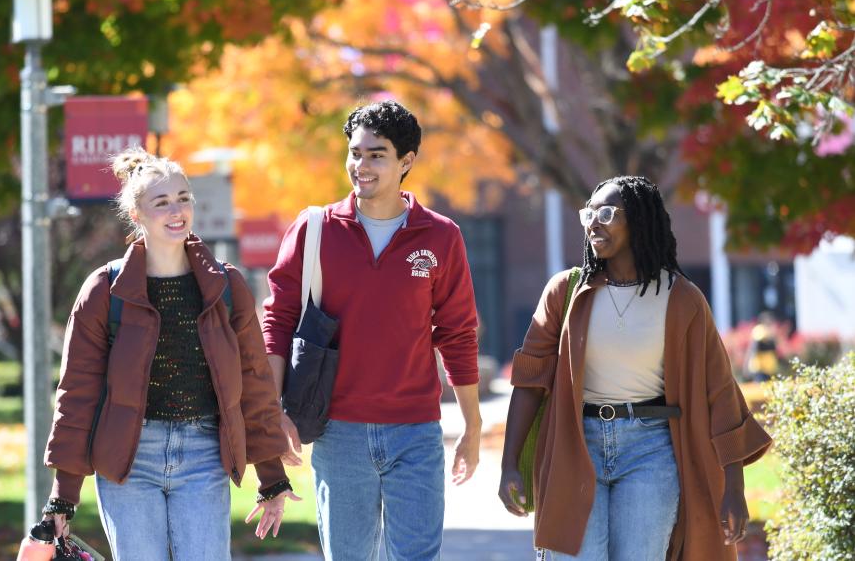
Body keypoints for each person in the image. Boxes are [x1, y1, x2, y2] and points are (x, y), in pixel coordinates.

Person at [42, 147, 299, 560]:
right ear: (137, 214)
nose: (176, 210)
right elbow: (78, 392)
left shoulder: (225, 286)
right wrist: (63, 495)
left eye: (183, 198)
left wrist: (271, 476)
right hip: (129, 461)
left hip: (204, 457)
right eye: (161, 202)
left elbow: (254, 382)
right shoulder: (105, 290)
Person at [498, 176, 773, 560]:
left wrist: (733, 487)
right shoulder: (566, 292)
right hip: (577, 444)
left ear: (640, 220)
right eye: (588, 214)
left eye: (607, 213)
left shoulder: (682, 299)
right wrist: (509, 464)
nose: (594, 222)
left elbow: (720, 393)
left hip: (651, 450)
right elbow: (529, 382)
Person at [262, 100, 482, 561]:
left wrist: (472, 425)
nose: (361, 166)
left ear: (406, 162)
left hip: (416, 430)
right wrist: (273, 410)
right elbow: (278, 321)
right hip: (338, 430)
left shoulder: (440, 236)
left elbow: (458, 333)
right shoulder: (314, 229)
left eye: (376, 154)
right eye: (355, 153)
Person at [745, 311, 780, 382]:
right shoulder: (760, 330)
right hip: (760, 369)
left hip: (769, 369)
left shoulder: (769, 331)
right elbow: (755, 347)